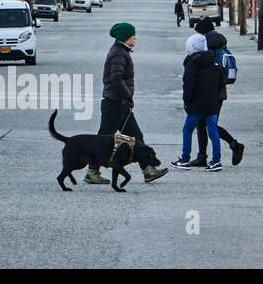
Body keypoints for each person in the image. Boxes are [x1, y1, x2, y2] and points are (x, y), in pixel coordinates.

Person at [85, 22, 168, 185]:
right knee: (103, 139)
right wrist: (128, 95)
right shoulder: (119, 53)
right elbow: (116, 78)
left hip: (118, 102)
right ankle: (92, 171)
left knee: (136, 137)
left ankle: (148, 170)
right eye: (133, 36)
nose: (135, 38)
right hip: (115, 103)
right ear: (125, 37)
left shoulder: (120, 51)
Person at [173, 22, 224, 171]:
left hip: (196, 104)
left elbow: (189, 86)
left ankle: (185, 158)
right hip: (211, 103)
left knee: (187, 129)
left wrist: (187, 103)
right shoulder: (213, 61)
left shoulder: (191, 63)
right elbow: (220, 81)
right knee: (213, 130)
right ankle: (216, 161)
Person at [195, 26, 245, 166]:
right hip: (220, 91)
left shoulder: (207, 45)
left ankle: (234, 145)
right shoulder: (220, 43)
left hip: (210, 92)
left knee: (205, 123)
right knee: (204, 123)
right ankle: (202, 156)